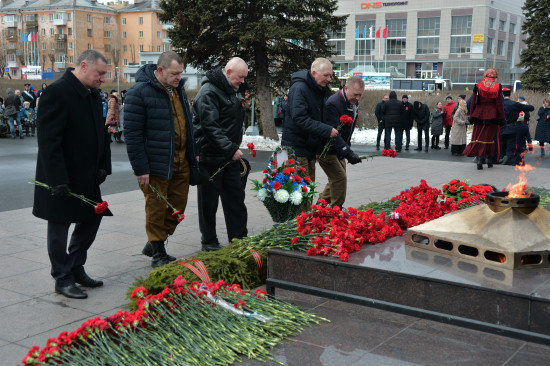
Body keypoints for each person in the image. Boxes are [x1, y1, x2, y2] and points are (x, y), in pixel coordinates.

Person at [32, 50, 112, 299]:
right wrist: (57, 180)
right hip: (62, 177)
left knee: (92, 218)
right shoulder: (57, 92)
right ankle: (62, 277)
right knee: (59, 226)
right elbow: (48, 141)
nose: (103, 79)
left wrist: (103, 165)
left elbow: (101, 133)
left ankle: (76, 266)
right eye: (100, 73)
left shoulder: (90, 93)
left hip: (87, 174)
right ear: (84, 65)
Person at [125, 51, 199, 267]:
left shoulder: (179, 91)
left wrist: (192, 154)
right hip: (155, 164)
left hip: (181, 162)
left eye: (180, 73)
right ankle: (158, 252)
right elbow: (132, 135)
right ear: (160, 70)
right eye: (174, 73)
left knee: (178, 207)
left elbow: (187, 124)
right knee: (156, 207)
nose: (179, 77)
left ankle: (154, 242)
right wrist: (140, 168)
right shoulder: (139, 93)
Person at [193, 57, 249, 251]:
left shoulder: (232, 91)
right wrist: (231, 148)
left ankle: (239, 237)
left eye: (244, 78)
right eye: (240, 77)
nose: (242, 82)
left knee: (235, 199)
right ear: (228, 72)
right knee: (208, 203)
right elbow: (210, 126)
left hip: (228, 156)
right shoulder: (208, 92)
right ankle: (208, 241)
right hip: (210, 156)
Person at [281, 57, 338, 181]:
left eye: (330, 76)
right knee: (301, 191)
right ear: (314, 73)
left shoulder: (319, 89)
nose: (328, 79)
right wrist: (326, 130)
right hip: (296, 149)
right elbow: (300, 118)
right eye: (326, 75)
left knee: (308, 188)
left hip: (308, 148)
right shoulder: (300, 88)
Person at [317, 76, 364, 208]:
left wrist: (346, 149)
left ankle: (319, 206)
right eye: (355, 94)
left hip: (339, 148)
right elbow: (333, 132)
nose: (358, 98)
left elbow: (346, 131)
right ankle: (336, 210)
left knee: (335, 179)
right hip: (327, 148)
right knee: (339, 178)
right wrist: (347, 152)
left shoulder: (352, 102)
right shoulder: (334, 103)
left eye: (360, 95)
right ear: (346, 88)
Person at [463, 68, 505, 170]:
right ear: (494, 77)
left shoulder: (478, 86)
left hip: (478, 114)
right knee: (489, 138)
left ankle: (479, 160)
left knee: (478, 137)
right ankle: (489, 160)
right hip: (492, 115)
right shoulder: (497, 87)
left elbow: (473, 102)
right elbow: (499, 104)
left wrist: (472, 114)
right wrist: (502, 117)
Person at [499, 88, 534, 165]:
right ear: (509, 94)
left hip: (501, 128)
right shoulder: (514, 104)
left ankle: (502, 160)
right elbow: (531, 108)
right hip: (512, 128)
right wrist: (522, 105)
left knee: (501, 147)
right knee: (510, 148)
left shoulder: (499, 104)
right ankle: (506, 160)